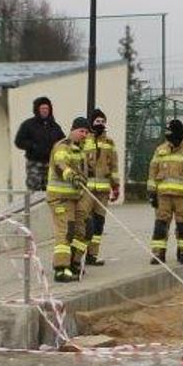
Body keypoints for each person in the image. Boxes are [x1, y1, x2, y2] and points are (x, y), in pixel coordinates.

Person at [147, 119, 183, 265]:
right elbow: (152, 172)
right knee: (160, 225)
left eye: (172, 137)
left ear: (179, 136)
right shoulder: (160, 150)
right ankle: (158, 254)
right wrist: (151, 193)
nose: (170, 141)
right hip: (163, 197)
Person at [46, 118, 91, 282]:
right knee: (65, 231)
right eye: (81, 131)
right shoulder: (63, 146)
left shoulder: (80, 151)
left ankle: (74, 263)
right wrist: (72, 176)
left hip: (75, 197)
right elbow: (61, 165)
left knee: (82, 230)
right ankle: (61, 269)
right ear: (73, 130)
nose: (84, 135)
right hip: (60, 197)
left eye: (86, 132)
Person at [80, 108, 121, 266]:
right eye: (97, 121)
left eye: (103, 121)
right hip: (87, 190)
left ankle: (93, 255)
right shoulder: (85, 140)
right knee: (85, 222)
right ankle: (79, 255)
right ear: (91, 123)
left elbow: (114, 166)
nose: (100, 124)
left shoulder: (109, 142)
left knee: (99, 223)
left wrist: (115, 186)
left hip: (103, 191)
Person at [13, 96, 62, 194]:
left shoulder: (54, 126)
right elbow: (19, 141)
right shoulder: (28, 125)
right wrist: (32, 146)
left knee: (50, 190)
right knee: (33, 190)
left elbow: (62, 141)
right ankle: (31, 209)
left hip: (50, 163)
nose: (45, 111)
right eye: (42, 108)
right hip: (34, 163)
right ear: (37, 110)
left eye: (47, 108)